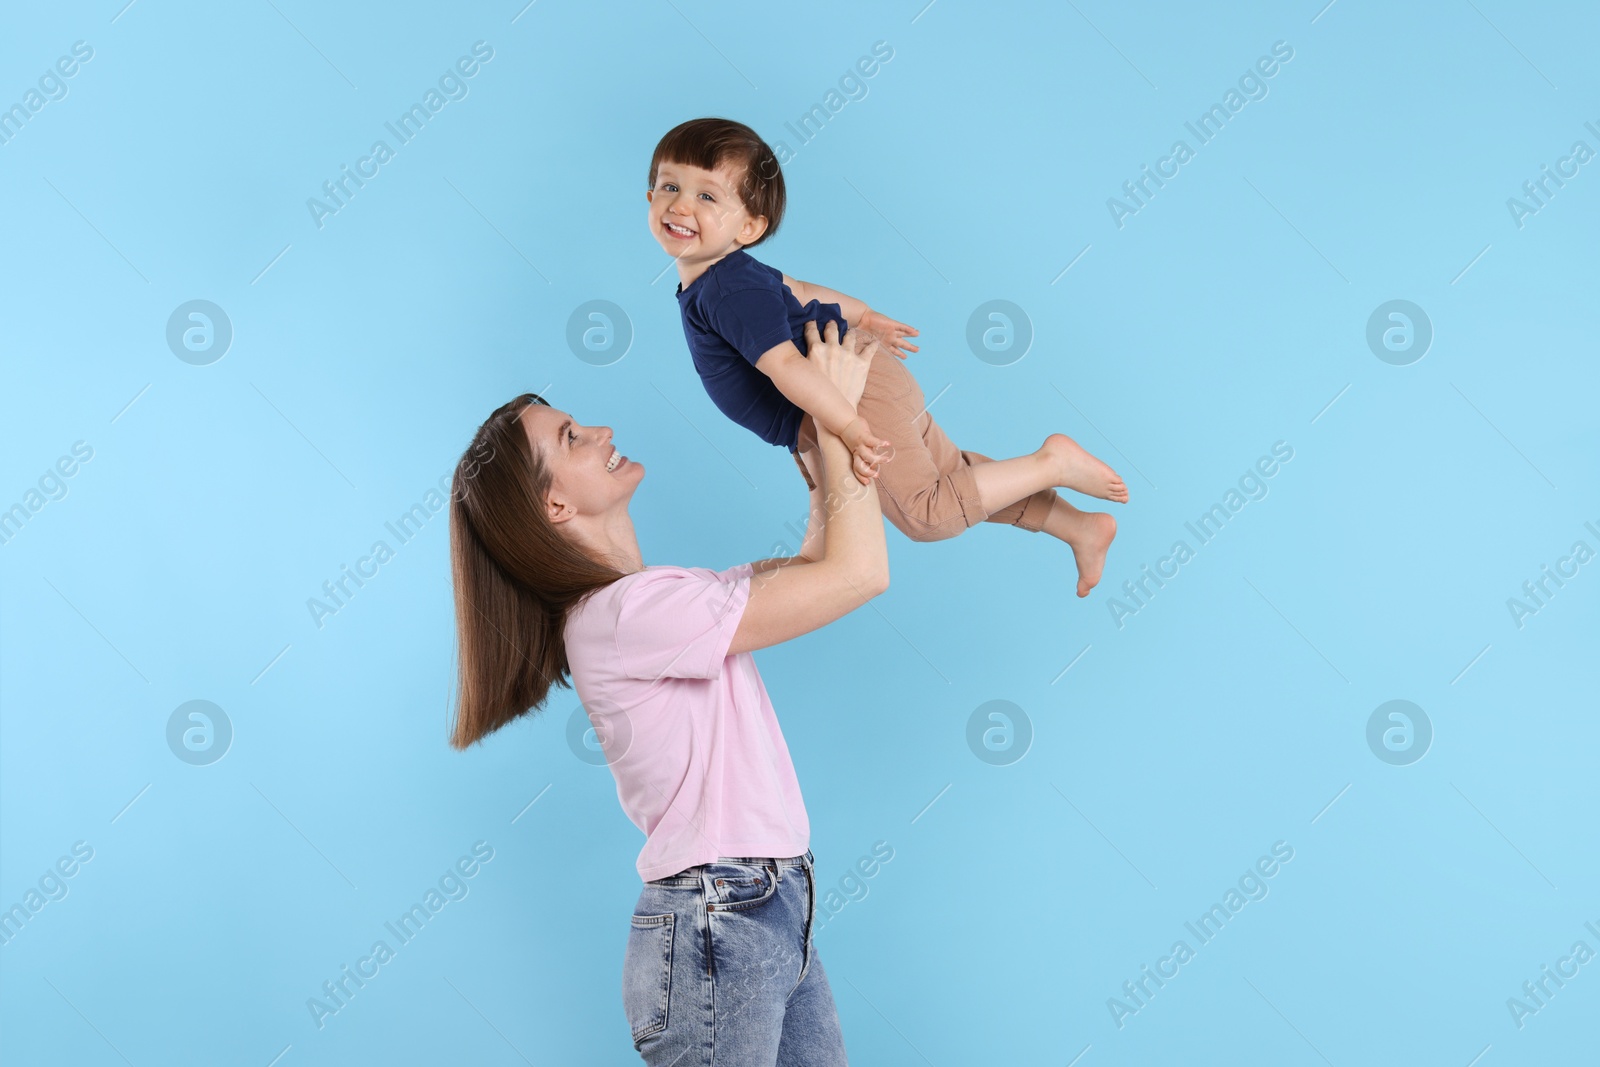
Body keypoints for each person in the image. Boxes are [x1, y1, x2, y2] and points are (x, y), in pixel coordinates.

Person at [447, 320, 884, 1064]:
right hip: (724, 918)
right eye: (572, 437)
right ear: (554, 506)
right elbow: (858, 573)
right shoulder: (625, 617)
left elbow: (818, 561)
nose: (601, 430)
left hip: (766, 908)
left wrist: (817, 431)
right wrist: (841, 417)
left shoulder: (653, 601)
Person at [648, 116, 1127, 598]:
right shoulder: (729, 276)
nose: (681, 204)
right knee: (951, 478)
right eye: (669, 186)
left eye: (707, 196)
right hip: (857, 384)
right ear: (649, 198)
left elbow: (787, 366)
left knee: (926, 514)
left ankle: (1052, 463)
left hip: (850, 397)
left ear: (749, 227)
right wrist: (866, 316)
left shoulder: (726, 290)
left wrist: (850, 427)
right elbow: (800, 289)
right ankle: (1077, 526)